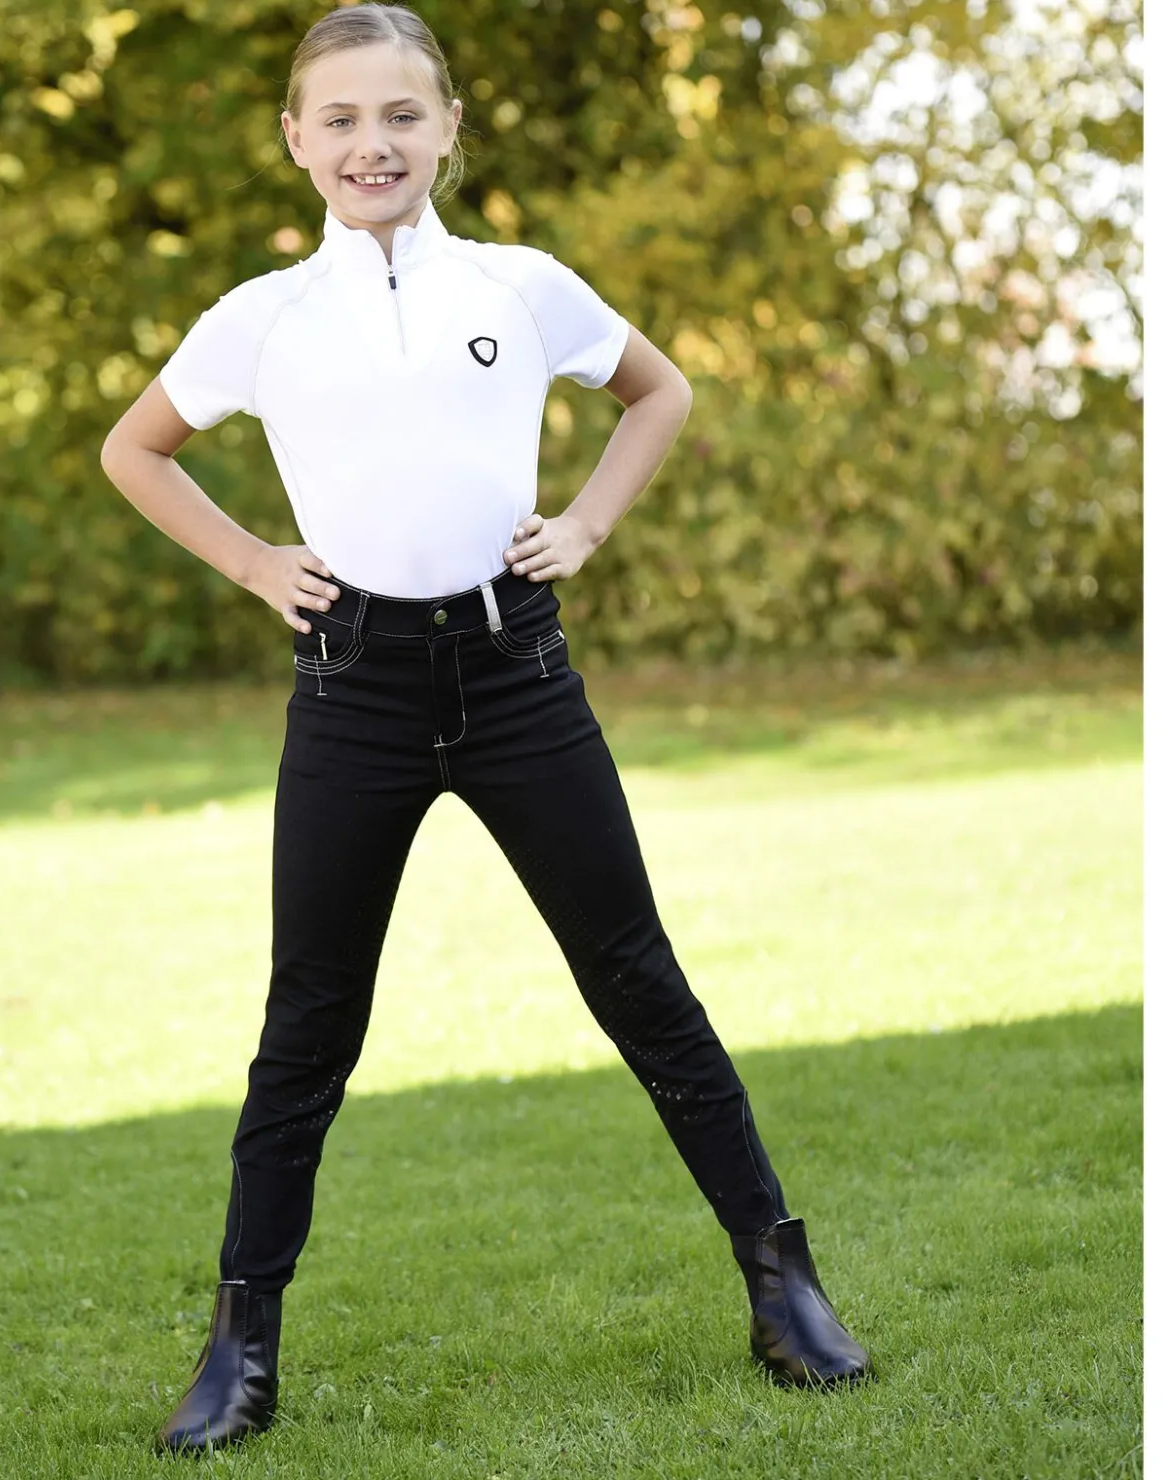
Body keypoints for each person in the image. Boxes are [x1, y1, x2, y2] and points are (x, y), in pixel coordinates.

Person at [100, 3, 871, 1455]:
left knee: (637, 977)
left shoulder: (519, 285)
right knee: (309, 1022)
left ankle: (785, 1285)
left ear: (449, 126)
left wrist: (586, 525)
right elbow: (133, 448)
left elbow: (658, 391)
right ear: (295, 140)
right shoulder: (261, 317)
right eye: (340, 119)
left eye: (401, 115)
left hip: (517, 676)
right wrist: (257, 564)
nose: (372, 143)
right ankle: (240, 1346)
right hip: (354, 687)